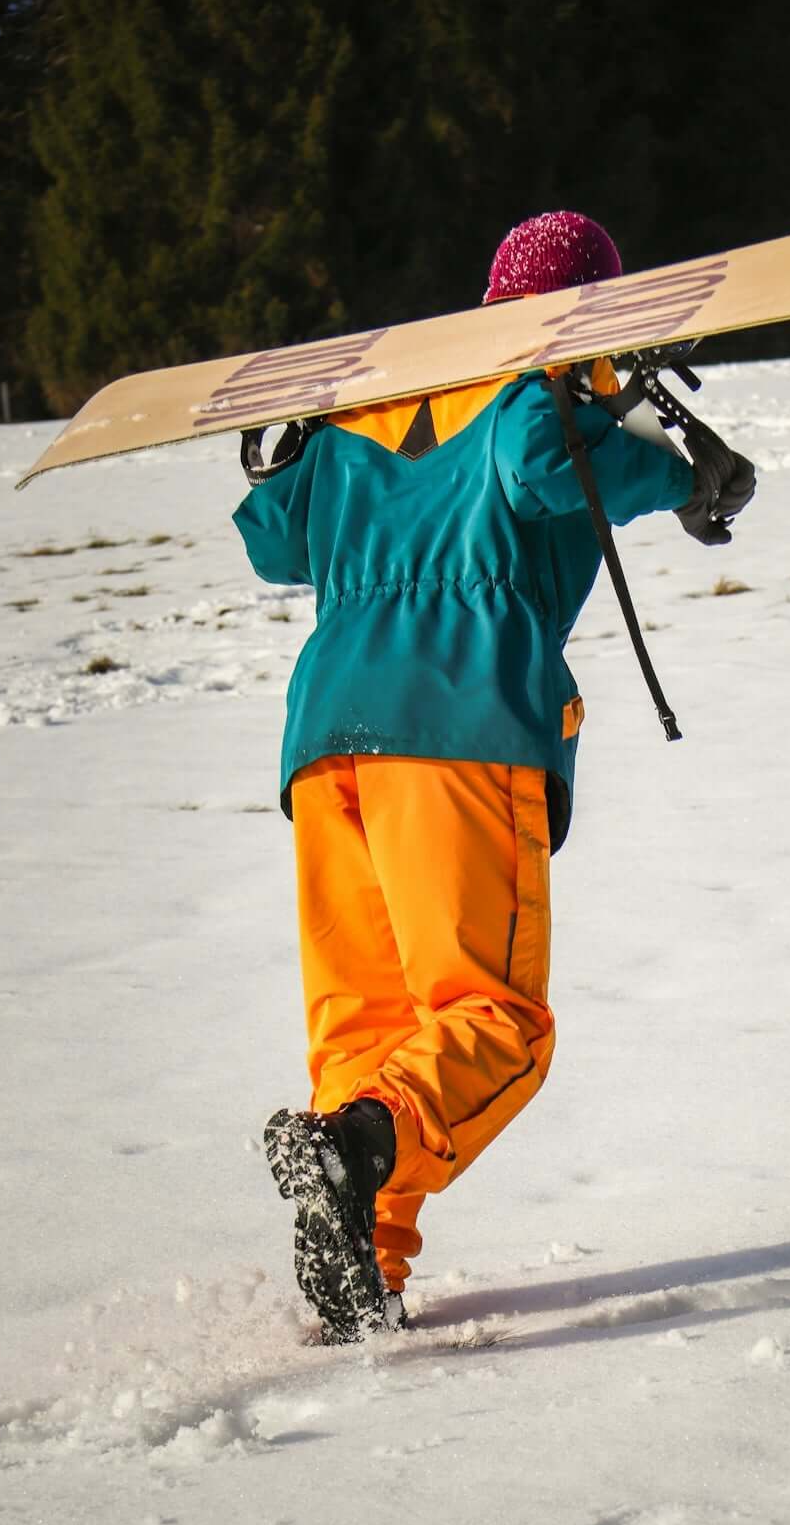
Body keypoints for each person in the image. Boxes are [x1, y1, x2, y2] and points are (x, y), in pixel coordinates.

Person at [232, 211, 755, 1342]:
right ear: (588, 316)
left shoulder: (362, 410)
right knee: (496, 1022)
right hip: (457, 722)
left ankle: (359, 1256)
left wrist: (287, 448)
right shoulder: (534, 396)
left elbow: (274, 540)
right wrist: (681, 472)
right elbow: (540, 462)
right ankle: (358, 1152)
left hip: (327, 742)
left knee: (367, 1024)